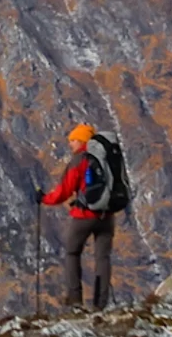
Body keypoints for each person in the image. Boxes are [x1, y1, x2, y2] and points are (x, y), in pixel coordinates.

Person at [37, 123, 115, 309]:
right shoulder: (107, 158)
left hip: (84, 216)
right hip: (107, 216)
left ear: (81, 141)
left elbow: (64, 191)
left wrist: (44, 199)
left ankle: (75, 301)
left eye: (73, 140)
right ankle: (100, 304)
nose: (70, 143)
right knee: (103, 258)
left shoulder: (79, 160)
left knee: (72, 253)